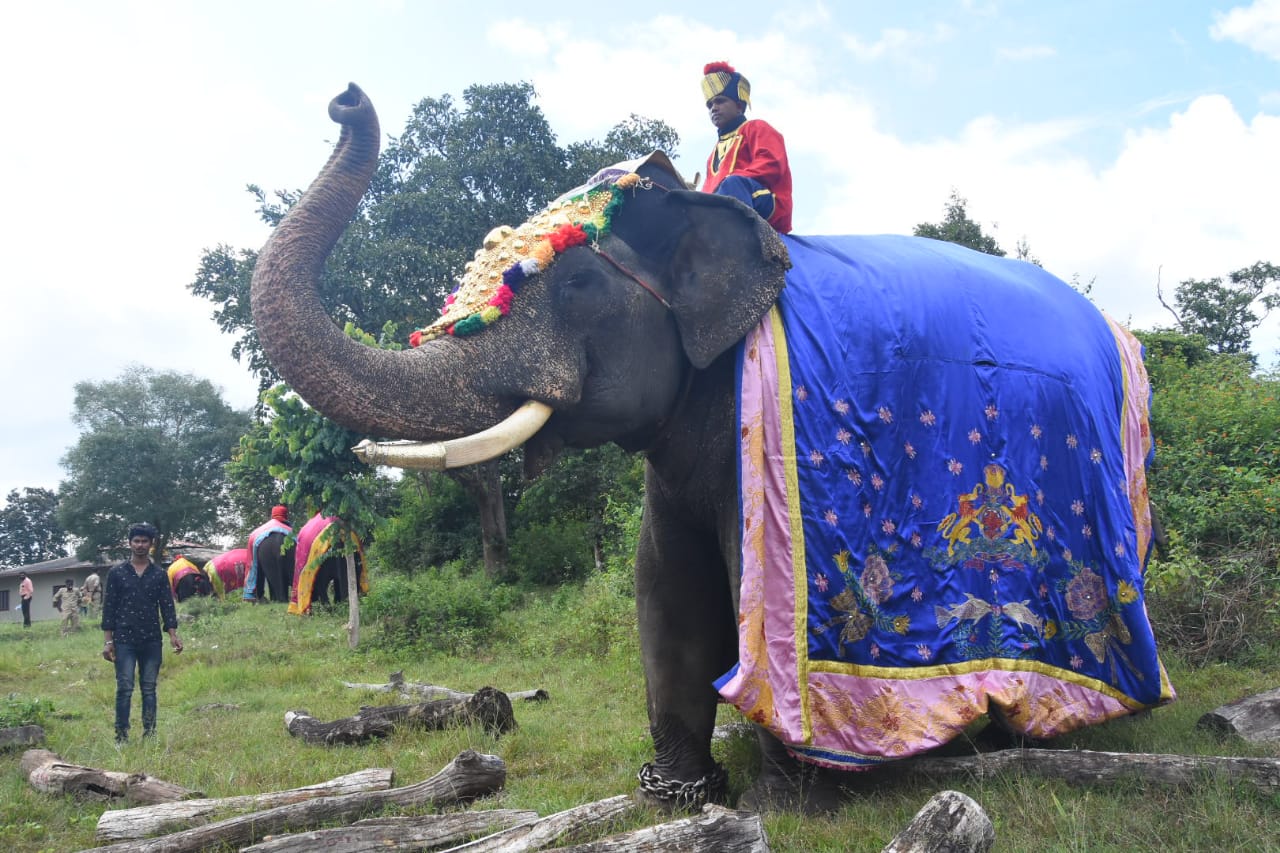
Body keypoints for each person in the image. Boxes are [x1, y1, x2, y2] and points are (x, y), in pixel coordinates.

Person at [101, 522, 183, 742]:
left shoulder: (158, 574)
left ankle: (150, 734)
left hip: (151, 639)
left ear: (151, 544)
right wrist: (108, 642)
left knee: (149, 688)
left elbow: (167, 606)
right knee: (125, 688)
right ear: (129, 543)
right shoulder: (117, 573)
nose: (140, 545)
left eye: (144, 541)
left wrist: (173, 635)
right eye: (136, 541)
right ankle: (121, 736)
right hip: (124, 639)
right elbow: (109, 608)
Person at [699, 61, 793, 234]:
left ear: (739, 106)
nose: (714, 108)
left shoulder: (757, 128)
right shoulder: (712, 155)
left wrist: (727, 183)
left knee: (732, 184)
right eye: (710, 105)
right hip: (723, 204)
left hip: (765, 202)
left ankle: (736, 245)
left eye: (720, 101)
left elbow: (771, 164)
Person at [245, 504, 292, 603]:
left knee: (256, 566)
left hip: (261, 546)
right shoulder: (292, 532)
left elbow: (252, 564)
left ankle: (257, 595)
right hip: (289, 549)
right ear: (286, 516)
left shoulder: (256, 533)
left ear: (272, 516)